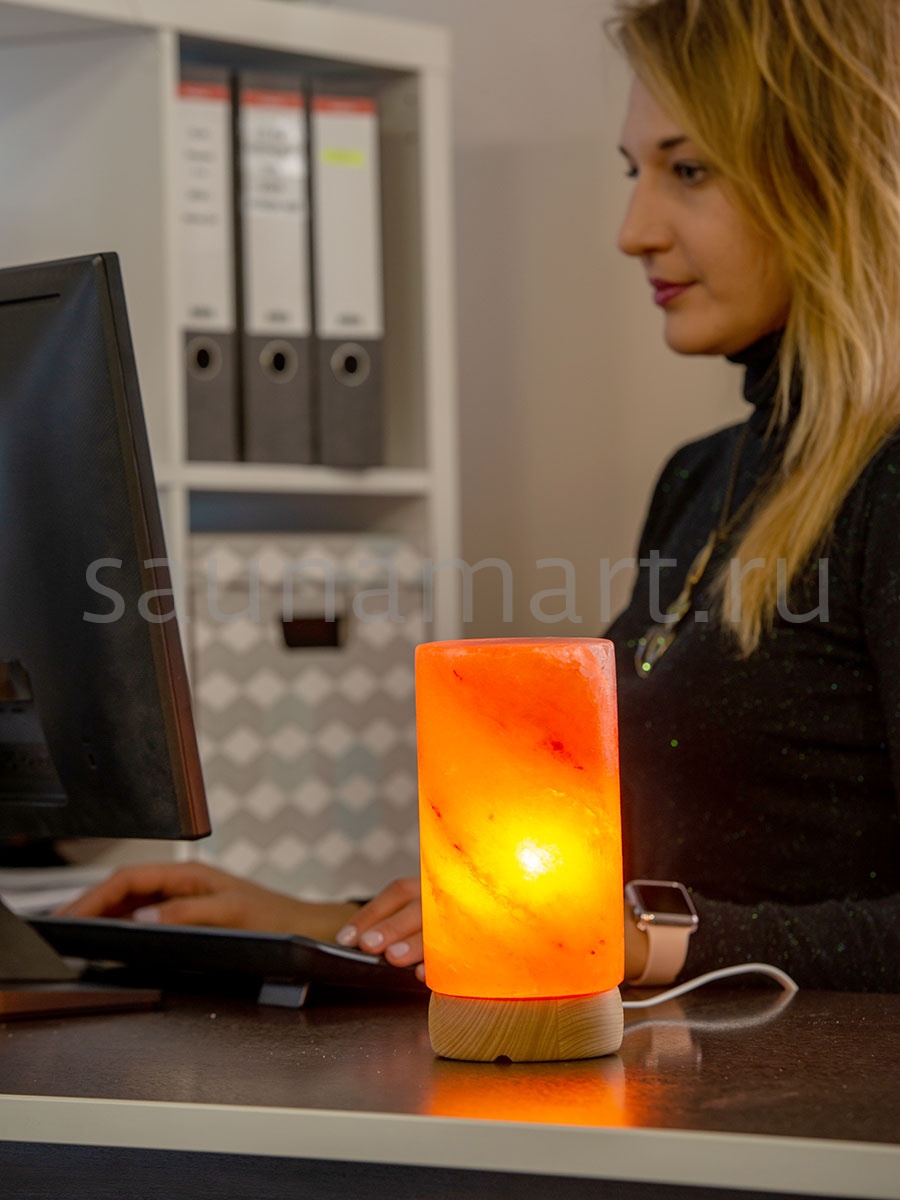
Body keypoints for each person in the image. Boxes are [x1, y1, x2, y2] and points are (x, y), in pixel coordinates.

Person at [65, 0, 900, 991]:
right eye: (634, 173)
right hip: (674, 1070)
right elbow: (623, 888)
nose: (634, 231)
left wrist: (639, 940)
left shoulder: (884, 482)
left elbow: (643, 925)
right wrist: (325, 924)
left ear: (835, 173)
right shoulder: (702, 478)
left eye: (689, 171)